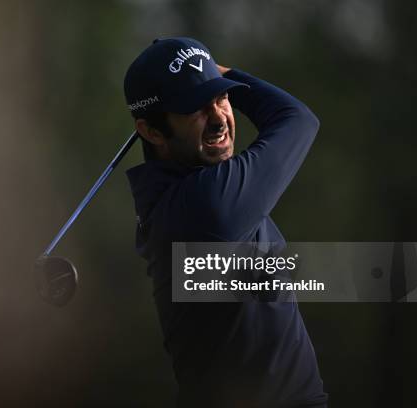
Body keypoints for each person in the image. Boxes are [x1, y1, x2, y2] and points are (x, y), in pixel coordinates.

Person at [123, 37, 328, 407]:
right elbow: (297, 119)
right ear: (152, 131)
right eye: (195, 108)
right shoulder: (208, 205)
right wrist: (225, 73)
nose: (219, 118)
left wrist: (205, 76)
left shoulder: (173, 199)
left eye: (221, 98)